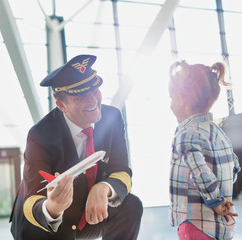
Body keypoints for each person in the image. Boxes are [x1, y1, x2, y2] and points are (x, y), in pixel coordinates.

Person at [10, 54, 143, 240]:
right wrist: (53, 207)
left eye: (94, 89)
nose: (93, 100)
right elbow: (31, 197)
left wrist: (103, 188)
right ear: (61, 104)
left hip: (86, 213)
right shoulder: (40, 135)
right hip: (44, 223)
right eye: (81, 95)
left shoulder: (112, 117)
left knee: (131, 205)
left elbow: (122, 171)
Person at [168, 60, 241, 240]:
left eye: (172, 97)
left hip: (196, 224)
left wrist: (215, 200)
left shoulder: (186, 134)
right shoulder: (219, 133)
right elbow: (234, 169)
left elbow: (199, 170)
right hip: (222, 226)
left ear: (182, 99)